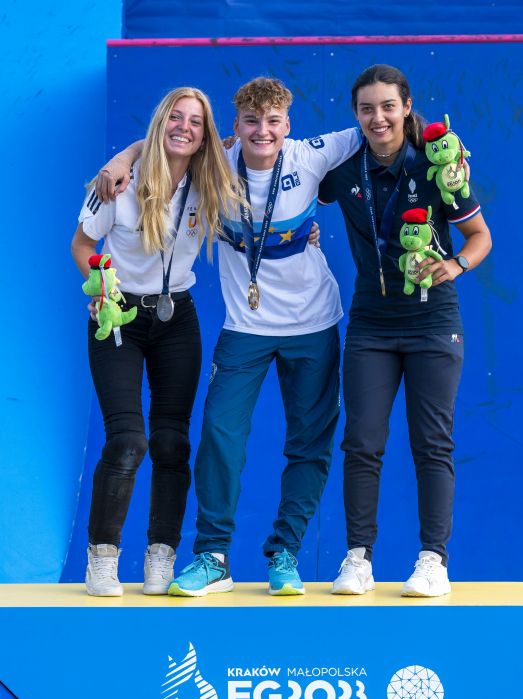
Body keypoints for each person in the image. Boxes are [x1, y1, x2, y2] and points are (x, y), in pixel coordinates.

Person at [99, 77, 362, 596]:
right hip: (245, 327)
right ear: (236, 127)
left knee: (309, 443)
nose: (263, 131)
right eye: (251, 122)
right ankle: (213, 556)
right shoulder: (215, 165)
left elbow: (381, 127)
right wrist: (122, 159)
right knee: (220, 435)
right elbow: (164, 141)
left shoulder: (311, 154)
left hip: (313, 323)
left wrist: (437, 141)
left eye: (273, 122)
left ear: (287, 125)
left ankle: (285, 552)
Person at [318, 64, 492, 597]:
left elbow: (480, 236)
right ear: (356, 115)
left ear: (407, 107)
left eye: (388, 106)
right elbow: (279, 170)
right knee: (361, 443)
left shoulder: (438, 167)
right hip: (371, 324)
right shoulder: (342, 171)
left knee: (432, 445)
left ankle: (433, 561)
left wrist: (457, 265)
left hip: (433, 324)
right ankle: (358, 559)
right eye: (367, 108)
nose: (379, 118)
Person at [71, 87, 241, 597]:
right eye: (175, 117)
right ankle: (103, 557)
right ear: (160, 122)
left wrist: (306, 234)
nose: (184, 127)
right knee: (128, 440)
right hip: (118, 317)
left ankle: (161, 555)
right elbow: (82, 244)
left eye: (195, 121)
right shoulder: (118, 182)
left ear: (204, 134)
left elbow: (250, 147)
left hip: (176, 318)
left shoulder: (209, 182)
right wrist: (101, 286)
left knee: (172, 442)